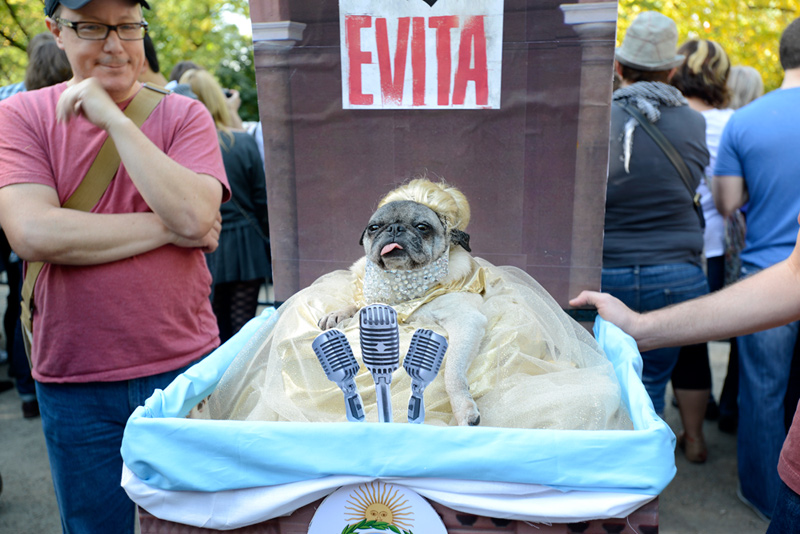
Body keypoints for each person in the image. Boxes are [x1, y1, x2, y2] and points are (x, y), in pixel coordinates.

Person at [0, 0, 230, 532]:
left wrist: (112, 119)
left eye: (128, 26)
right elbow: (34, 232)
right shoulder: (21, 115)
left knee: (198, 524)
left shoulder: (183, 114)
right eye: (92, 27)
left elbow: (198, 214)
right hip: (75, 379)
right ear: (56, 31)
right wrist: (171, 227)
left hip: (185, 370)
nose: (114, 43)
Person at [603, 11, 709, 443]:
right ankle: (648, 491)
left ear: (618, 66)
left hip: (603, 273)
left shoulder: (596, 117)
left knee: (605, 387)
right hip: (678, 275)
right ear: (672, 70)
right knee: (651, 387)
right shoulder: (694, 122)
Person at [710, 15, 800, 520]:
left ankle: (766, 497)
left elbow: (728, 203)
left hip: (768, 276)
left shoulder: (746, 120)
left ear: (784, 57)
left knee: (762, 394)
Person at [668, 38, 734, 462]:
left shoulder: (666, 117)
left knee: (653, 339)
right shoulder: (732, 123)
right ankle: (694, 437)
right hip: (711, 248)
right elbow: (732, 200)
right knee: (694, 342)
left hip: (664, 242)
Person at [0, 31, 72, 418]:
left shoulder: (10, 99)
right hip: (39, 220)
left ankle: (27, 388)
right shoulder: (71, 104)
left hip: (14, 221)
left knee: (22, 298)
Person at [181, 68, 271, 342]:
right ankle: (240, 386)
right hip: (247, 247)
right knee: (242, 336)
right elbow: (261, 201)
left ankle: (215, 387)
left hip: (206, 246)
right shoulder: (242, 142)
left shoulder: (181, 147)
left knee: (212, 333)